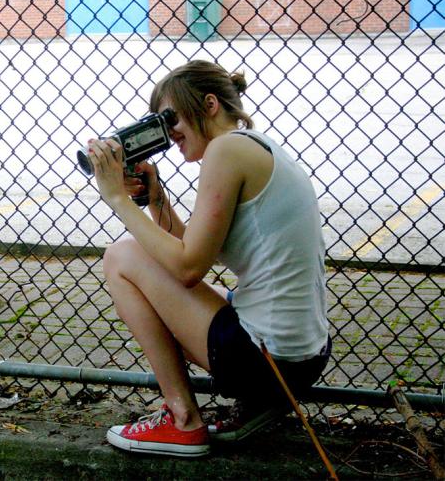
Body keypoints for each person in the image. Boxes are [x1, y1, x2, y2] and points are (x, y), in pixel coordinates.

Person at [86, 59, 331, 458]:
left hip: (265, 360)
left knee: (120, 256)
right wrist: (155, 199)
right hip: (301, 358)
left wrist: (116, 198)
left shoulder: (226, 150)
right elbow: (195, 250)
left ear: (210, 104)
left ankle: (182, 420)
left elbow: (186, 269)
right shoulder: (253, 145)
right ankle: (258, 405)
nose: (170, 134)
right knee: (154, 266)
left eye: (172, 118)